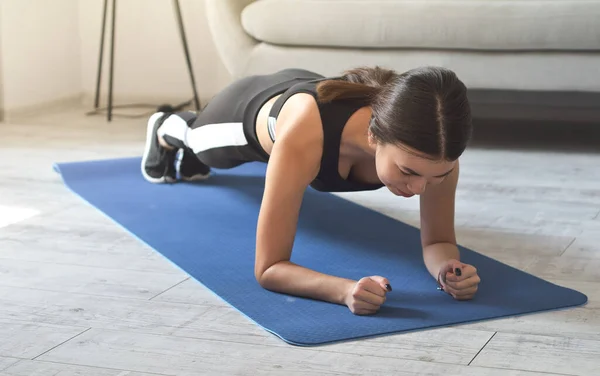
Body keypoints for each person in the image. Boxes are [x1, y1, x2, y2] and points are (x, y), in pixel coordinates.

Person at [140, 66, 481, 315]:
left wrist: (447, 269)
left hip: (313, 98)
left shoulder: (437, 153)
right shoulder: (306, 136)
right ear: (374, 137)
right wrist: (345, 291)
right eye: (407, 172)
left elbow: (436, 241)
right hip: (244, 113)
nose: (420, 187)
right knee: (199, 148)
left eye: (437, 176)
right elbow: (269, 268)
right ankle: (167, 125)